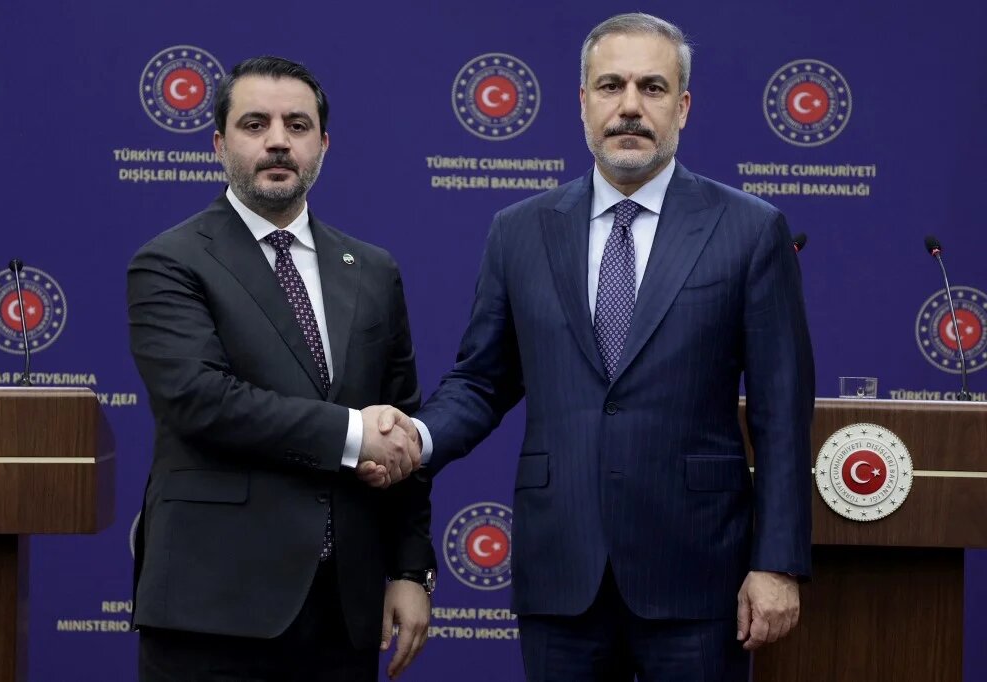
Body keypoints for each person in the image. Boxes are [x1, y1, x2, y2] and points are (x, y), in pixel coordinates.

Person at [406, 12, 815, 681]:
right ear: (582, 103)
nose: (630, 106)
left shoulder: (749, 230)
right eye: (611, 86)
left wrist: (776, 563)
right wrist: (417, 440)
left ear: (682, 106)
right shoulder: (519, 231)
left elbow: (780, 414)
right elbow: (481, 382)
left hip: (696, 578)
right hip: (561, 572)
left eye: (652, 87)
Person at [127, 56, 436, 682]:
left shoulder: (373, 270)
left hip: (343, 612)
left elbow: (404, 422)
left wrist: (408, 569)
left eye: (297, 125)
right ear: (219, 144)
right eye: (254, 123)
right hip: (213, 608)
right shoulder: (169, 262)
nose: (277, 139)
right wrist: (353, 434)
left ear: (322, 144)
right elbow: (200, 399)